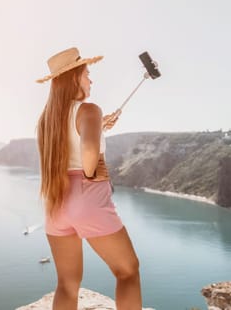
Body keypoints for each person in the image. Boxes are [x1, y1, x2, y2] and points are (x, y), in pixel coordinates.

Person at [36, 47, 142, 309]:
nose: (91, 80)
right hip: (88, 201)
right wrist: (94, 132)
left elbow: (70, 142)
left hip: (55, 204)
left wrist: (98, 126)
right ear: (74, 78)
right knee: (127, 271)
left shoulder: (46, 120)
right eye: (87, 74)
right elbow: (89, 157)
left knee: (67, 284)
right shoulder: (89, 110)